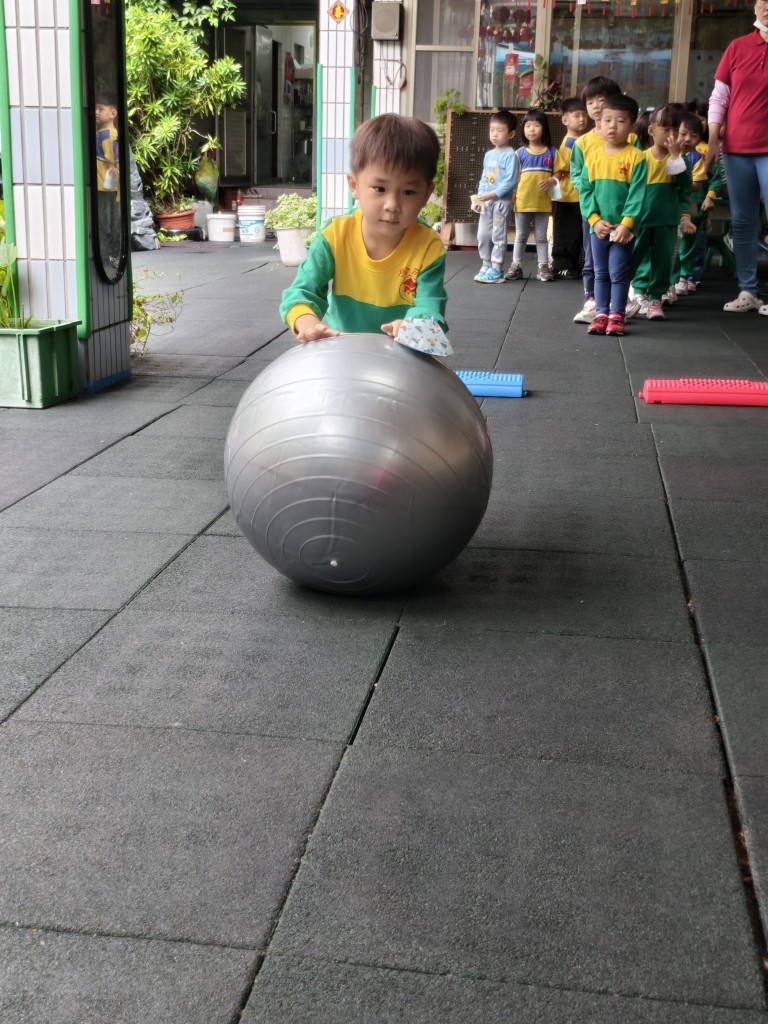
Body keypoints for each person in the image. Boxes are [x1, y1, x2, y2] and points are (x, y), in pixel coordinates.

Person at [280, 114, 447, 342]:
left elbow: (430, 306)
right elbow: (302, 291)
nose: (392, 205)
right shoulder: (335, 235)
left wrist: (414, 327)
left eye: (408, 192)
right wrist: (307, 322)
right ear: (354, 185)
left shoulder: (428, 248)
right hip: (344, 346)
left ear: (426, 194)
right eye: (380, 189)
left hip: (402, 350)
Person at [706, 1, 768, 314]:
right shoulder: (737, 47)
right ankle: (748, 291)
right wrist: (712, 140)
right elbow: (719, 97)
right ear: (755, 6)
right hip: (736, 148)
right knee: (742, 221)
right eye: (763, 0)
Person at [578, 94, 646, 336]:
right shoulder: (593, 156)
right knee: (600, 273)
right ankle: (600, 313)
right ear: (598, 123)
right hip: (598, 228)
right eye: (607, 120)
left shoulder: (637, 157)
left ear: (632, 126)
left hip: (622, 229)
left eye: (620, 121)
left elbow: (637, 194)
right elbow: (585, 191)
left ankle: (617, 314)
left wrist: (626, 224)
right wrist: (594, 220)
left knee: (618, 272)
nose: (612, 126)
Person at [626, 105, 695, 321]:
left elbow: (684, 187)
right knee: (634, 258)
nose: (671, 135)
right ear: (651, 131)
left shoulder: (680, 161)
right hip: (640, 221)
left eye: (676, 130)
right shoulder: (640, 158)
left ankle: (655, 298)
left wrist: (675, 157)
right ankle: (635, 293)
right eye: (666, 129)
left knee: (663, 261)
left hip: (666, 222)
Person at [568, 76, 624, 321]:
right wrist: (591, 201)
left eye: (602, 100)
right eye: (590, 102)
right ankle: (592, 299)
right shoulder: (583, 143)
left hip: (621, 213)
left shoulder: (630, 141)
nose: (596, 106)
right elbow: (576, 175)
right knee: (592, 257)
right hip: (592, 212)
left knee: (621, 258)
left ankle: (620, 300)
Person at [505, 108, 556, 282]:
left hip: (543, 203)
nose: (532, 129)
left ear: (544, 128)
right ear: (523, 129)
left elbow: (559, 173)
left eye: (536, 125)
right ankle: (516, 266)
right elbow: (513, 179)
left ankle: (543, 267)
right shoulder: (519, 153)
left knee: (541, 238)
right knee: (520, 236)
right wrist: (511, 200)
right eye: (528, 126)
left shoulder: (552, 152)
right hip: (522, 203)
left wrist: (552, 180)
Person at [472, 109, 520, 283]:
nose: (494, 134)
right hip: (486, 202)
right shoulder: (488, 155)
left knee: (498, 235)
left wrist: (492, 194)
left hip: (501, 202)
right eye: (492, 130)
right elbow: (484, 178)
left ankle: (497, 268)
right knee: (483, 234)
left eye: (500, 130)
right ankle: (486, 264)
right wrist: (479, 198)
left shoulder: (511, 155)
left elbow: (511, 181)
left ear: (511, 134)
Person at [674, 110, 719, 294]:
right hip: (671, 206)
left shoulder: (699, 157)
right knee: (672, 244)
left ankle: (685, 277)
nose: (687, 139)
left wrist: (709, 196)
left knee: (690, 243)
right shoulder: (666, 155)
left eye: (693, 136)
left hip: (694, 206)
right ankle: (671, 279)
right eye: (683, 133)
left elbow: (705, 182)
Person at [548, 97, 588, 279]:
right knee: (565, 232)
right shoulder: (571, 143)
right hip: (566, 196)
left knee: (574, 232)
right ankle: (561, 266)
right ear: (565, 120)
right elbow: (562, 168)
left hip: (575, 195)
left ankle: (570, 265)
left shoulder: (581, 140)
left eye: (584, 115)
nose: (582, 119)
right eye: (577, 116)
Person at [95, 92, 121, 268]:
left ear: (113, 113)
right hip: (105, 187)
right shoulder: (103, 133)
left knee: (106, 222)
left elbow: (111, 158)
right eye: (95, 109)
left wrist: (113, 168)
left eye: (101, 109)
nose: (96, 112)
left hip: (106, 187)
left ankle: (110, 256)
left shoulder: (108, 134)